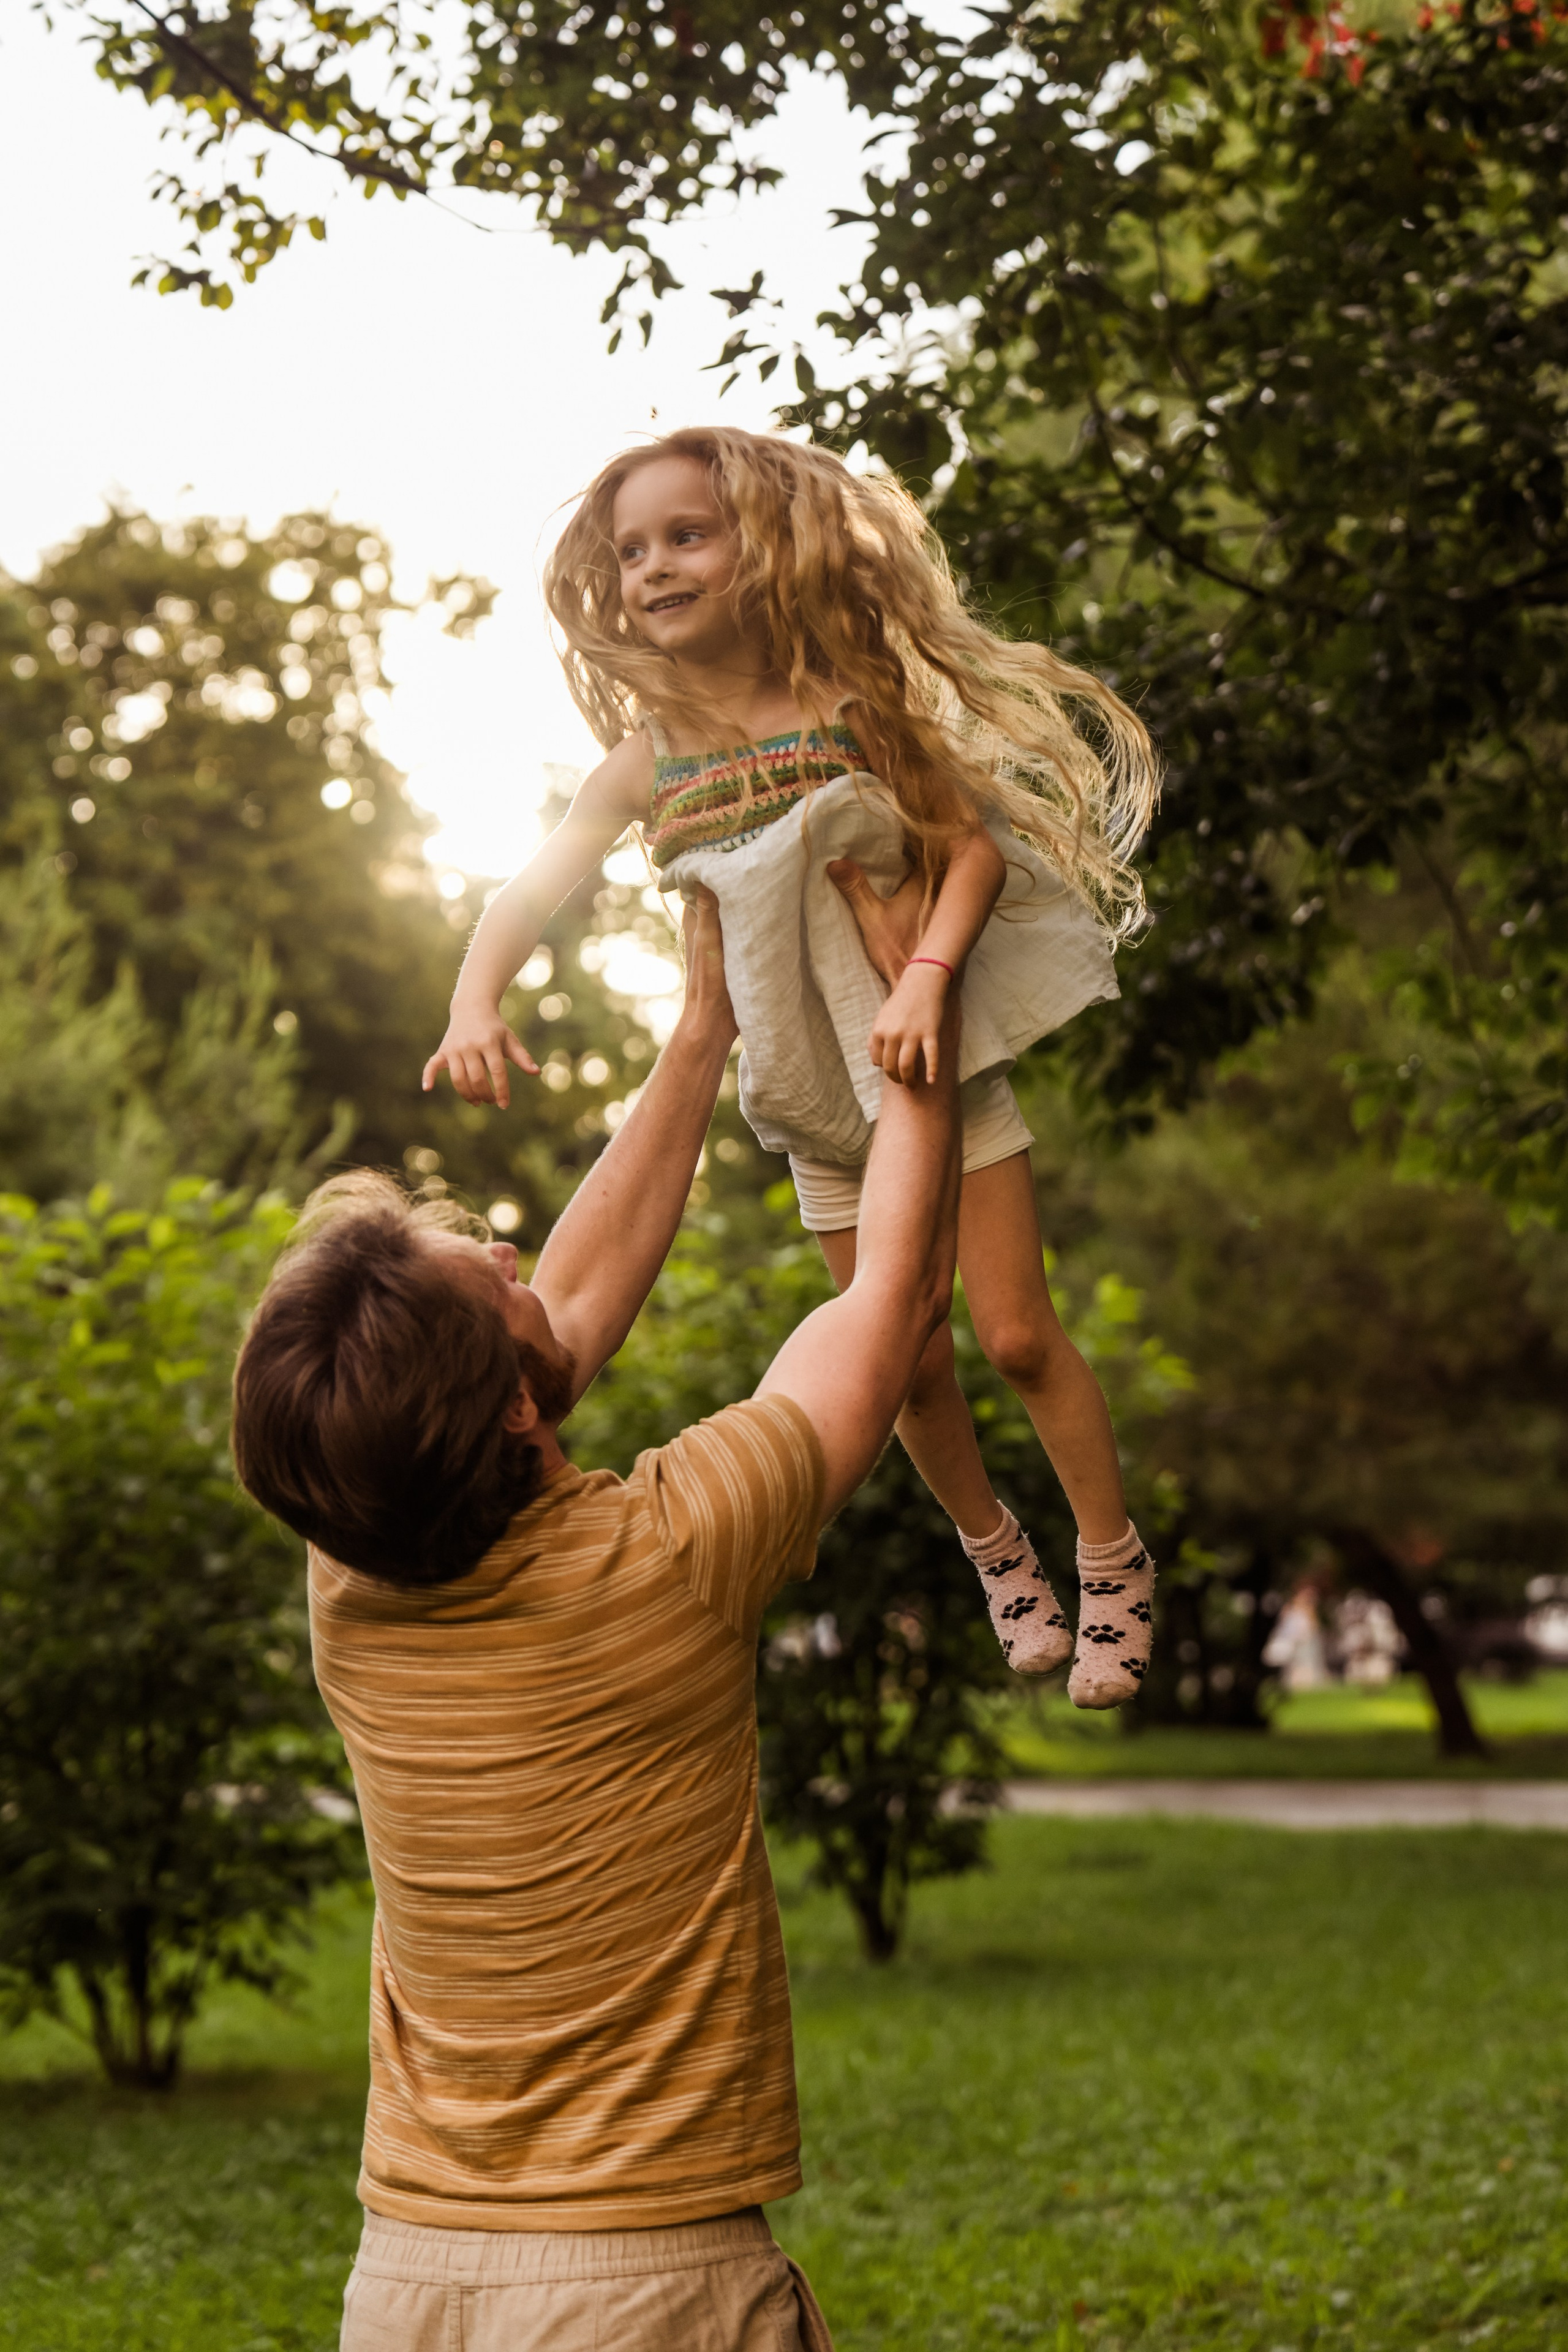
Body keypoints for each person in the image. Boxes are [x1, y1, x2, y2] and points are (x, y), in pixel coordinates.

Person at [232, 891, 965, 2351]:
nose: (519, 1257)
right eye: (492, 1277)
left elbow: (556, 1315)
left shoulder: (350, 1578)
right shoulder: (672, 1556)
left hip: (408, 2284)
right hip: (644, 2292)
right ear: (516, 1407)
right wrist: (922, 1019)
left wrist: (703, 1026)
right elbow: (892, 1297)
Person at [423, 426, 1161, 1705]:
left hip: (931, 1065)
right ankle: (994, 1551)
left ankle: (1112, 1555)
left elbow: (970, 850)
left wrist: (928, 973)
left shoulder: (848, 708)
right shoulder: (649, 759)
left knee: (1015, 1336)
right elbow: (530, 890)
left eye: (685, 536)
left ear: (762, 550)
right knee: (902, 1358)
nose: (653, 567)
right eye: (631, 551)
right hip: (813, 1102)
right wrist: (472, 1000)